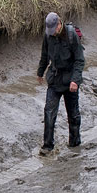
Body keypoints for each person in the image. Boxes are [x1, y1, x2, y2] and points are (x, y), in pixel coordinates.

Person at [37, 12, 85, 154]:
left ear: (59, 24)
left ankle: (75, 144)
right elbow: (45, 56)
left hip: (70, 80)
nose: (52, 33)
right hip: (55, 78)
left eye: (54, 30)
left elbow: (79, 60)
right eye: (49, 30)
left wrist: (75, 81)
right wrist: (40, 72)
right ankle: (47, 146)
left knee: (73, 114)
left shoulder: (71, 35)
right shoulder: (47, 36)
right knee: (49, 113)